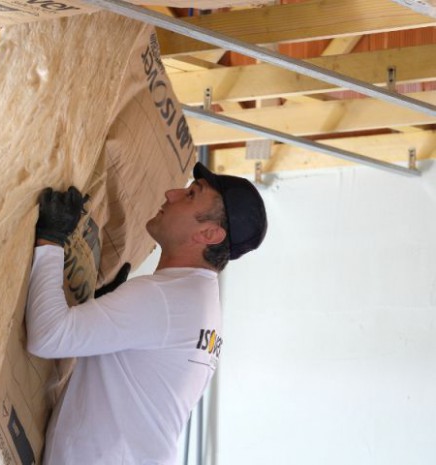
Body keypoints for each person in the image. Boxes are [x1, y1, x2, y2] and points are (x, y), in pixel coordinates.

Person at [26, 162, 267, 464]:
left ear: (209, 233)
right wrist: (102, 311)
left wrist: (51, 239)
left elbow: (47, 337)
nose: (172, 193)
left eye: (191, 194)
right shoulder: (198, 302)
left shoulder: (164, 298)